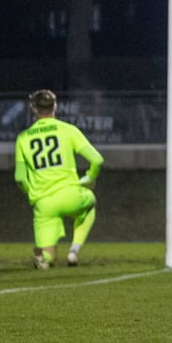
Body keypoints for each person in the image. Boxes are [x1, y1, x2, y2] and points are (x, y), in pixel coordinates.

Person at [14, 89, 104, 269]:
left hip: (44, 203)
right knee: (90, 205)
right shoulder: (68, 130)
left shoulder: (23, 139)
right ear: (55, 106)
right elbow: (97, 159)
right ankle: (73, 251)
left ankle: (45, 258)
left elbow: (20, 178)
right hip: (71, 194)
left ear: (34, 108)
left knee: (48, 258)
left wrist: (34, 195)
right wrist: (89, 178)